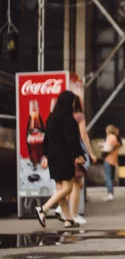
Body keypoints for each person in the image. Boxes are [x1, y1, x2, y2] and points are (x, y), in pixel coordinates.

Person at [34, 91, 86, 229]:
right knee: (68, 187)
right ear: (70, 103)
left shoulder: (51, 117)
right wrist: (78, 155)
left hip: (53, 156)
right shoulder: (68, 118)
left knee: (60, 189)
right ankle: (43, 209)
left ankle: (69, 220)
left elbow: (46, 138)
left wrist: (45, 155)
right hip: (64, 156)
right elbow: (72, 140)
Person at [55, 96, 97, 225]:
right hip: (76, 152)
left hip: (62, 153)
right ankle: (72, 215)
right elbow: (83, 135)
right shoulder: (79, 116)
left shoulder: (59, 116)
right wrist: (90, 153)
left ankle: (61, 209)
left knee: (67, 183)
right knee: (76, 184)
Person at [101, 124, 121, 202]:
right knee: (111, 177)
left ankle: (110, 193)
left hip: (108, 159)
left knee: (107, 177)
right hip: (114, 159)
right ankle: (111, 193)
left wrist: (102, 148)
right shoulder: (115, 137)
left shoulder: (110, 137)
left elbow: (108, 148)